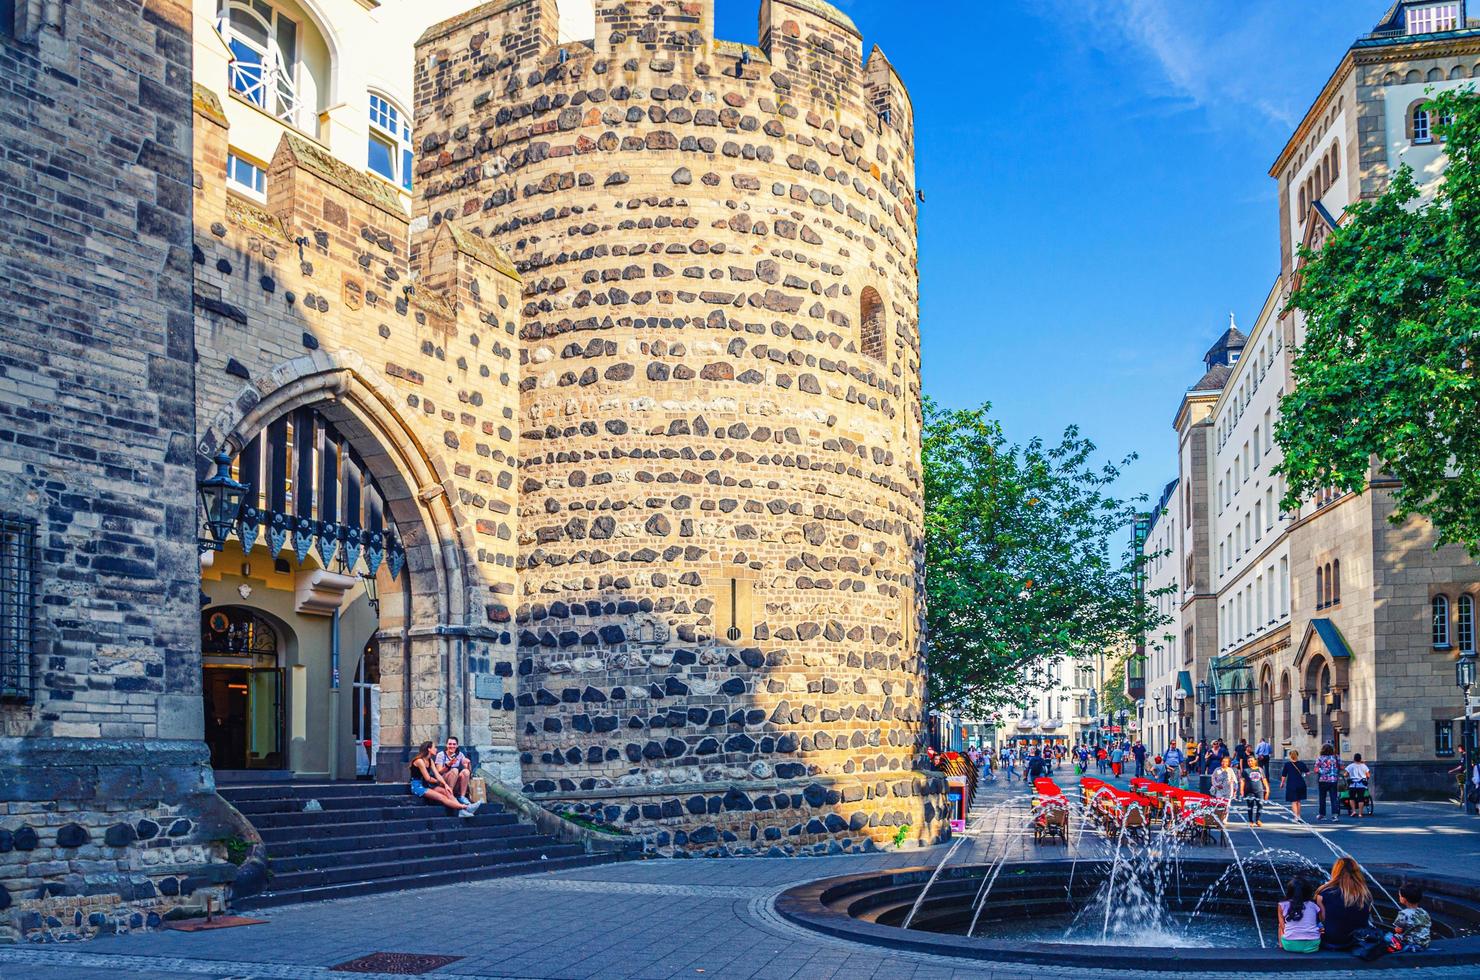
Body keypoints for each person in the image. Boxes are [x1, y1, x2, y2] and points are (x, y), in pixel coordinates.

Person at [1315, 856, 1373, 951]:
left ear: (1336, 871)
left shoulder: (1323, 893)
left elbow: (1323, 919)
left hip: (1332, 941)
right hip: (1358, 940)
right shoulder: (1365, 894)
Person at [409, 741, 481, 817]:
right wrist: (437, 781)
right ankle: (465, 807)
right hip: (418, 786)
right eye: (434, 747)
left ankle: (461, 812)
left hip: (426, 785)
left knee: (448, 792)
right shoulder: (420, 761)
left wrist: (445, 785)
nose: (436, 749)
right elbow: (428, 778)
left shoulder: (430, 760)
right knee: (442, 797)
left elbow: (437, 775)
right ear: (429, 749)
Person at [1277, 876, 1323, 953]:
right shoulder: (1313, 905)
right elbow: (1321, 920)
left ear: (1289, 892)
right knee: (1319, 925)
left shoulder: (1282, 905)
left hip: (1290, 945)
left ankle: (1281, 947)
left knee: (1280, 925)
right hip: (1312, 946)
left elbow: (1283, 926)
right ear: (1308, 892)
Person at [1386, 882, 1431, 953]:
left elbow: (1398, 930)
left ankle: (1408, 947)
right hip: (1424, 942)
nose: (1399, 897)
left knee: (1387, 936)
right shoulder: (1424, 912)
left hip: (1410, 942)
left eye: (1400, 896)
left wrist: (1397, 929)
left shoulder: (1404, 914)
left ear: (1404, 899)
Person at [436, 736, 474, 805]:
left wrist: (468, 763)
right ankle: (450, 795)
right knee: (455, 770)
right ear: (446, 745)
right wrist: (449, 764)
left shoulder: (459, 754)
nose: (452, 746)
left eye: (454, 744)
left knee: (465, 772)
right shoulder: (441, 755)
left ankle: (462, 796)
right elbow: (439, 772)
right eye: (450, 744)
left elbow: (468, 772)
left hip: (455, 782)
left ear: (457, 745)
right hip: (443, 782)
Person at [1315, 744, 1342, 823]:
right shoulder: (1336, 757)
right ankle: (1335, 816)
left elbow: (1316, 769)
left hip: (1323, 780)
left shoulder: (1320, 758)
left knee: (1322, 798)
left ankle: (1322, 814)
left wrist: (1322, 771)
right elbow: (1342, 767)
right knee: (1334, 798)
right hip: (1333, 780)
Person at [1282, 749, 1309, 822]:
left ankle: (1295, 817)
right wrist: (1304, 774)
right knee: (1298, 801)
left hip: (1291, 784)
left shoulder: (1287, 764)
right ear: (1297, 755)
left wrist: (1282, 783)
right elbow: (1307, 773)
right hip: (1300, 783)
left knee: (1294, 801)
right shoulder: (1301, 763)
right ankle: (1299, 815)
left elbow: (1284, 775)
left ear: (1290, 756)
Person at [1243, 757, 1269, 827]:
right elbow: (1242, 781)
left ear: (1255, 761)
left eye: (1251, 761)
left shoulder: (1260, 769)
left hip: (1259, 790)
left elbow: (1264, 780)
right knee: (1250, 806)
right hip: (1249, 791)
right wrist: (1242, 790)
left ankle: (1258, 819)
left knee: (1260, 805)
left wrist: (1267, 789)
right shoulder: (1246, 770)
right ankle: (1251, 821)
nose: (1250, 762)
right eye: (1248, 761)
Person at [1345, 753, 1371, 819]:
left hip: (1352, 785)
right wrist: (1365, 778)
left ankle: (1353, 811)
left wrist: (1347, 775)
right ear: (1360, 759)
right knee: (1361, 799)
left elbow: (1345, 774)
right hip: (1361, 785)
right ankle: (1360, 813)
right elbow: (1368, 775)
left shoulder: (1350, 766)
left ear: (1354, 759)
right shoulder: (1364, 766)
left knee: (1351, 798)